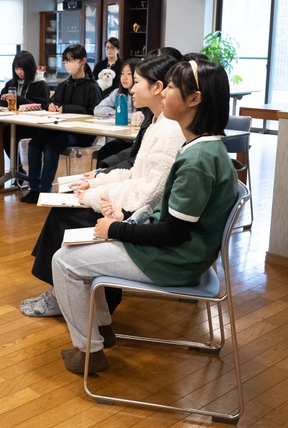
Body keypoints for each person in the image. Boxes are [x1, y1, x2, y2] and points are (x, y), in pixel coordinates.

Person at [51, 59, 239, 374]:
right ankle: (102, 331)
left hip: (173, 261)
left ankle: (89, 351)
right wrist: (128, 219)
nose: (164, 93)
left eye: (172, 88)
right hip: (181, 254)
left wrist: (117, 229)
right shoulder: (204, 148)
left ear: (194, 100)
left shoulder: (197, 160)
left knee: (63, 261)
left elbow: (172, 234)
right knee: (74, 251)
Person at [20, 54, 184, 318]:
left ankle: (66, 297)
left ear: (157, 87)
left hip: (139, 215)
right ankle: (62, 293)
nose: (129, 88)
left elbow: (148, 193)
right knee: (65, 207)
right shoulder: (155, 123)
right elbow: (134, 173)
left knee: (70, 215)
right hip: (130, 204)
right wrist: (96, 183)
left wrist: (95, 196)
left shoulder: (169, 129)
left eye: (137, 81)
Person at [21, 44, 101, 203]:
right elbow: (53, 101)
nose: (68, 64)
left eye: (72, 60)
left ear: (83, 61)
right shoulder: (65, 84)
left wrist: (67, 108)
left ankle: (45, 189)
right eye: (66, 61)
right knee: (35, 143)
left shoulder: (92, 87)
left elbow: (95, 113)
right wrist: (50, 105)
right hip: (61, 128)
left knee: (52, 146)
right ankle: (34, 188)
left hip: (81, 133)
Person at [0, 50, 49, 175]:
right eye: (16, 68)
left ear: (29, 68)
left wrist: (18, 100)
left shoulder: (40, 84)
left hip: (34, 125)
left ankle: (18, 170)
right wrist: (4, 99)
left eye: (22, 69)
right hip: (16, 122)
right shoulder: (12, 83)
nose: (19, 72)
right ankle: (17, 169)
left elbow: (41, 106)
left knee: (8, 133)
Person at [92, 58, 140, 164]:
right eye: (122, 74)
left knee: (116, 156)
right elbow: (98, 110)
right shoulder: (117, 93)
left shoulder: (142, 94)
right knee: (104, 152)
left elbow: (142, 116)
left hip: (137, 140)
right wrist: (116, 113)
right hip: (123, 138)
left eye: (129, 74)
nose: (124, 78)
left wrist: (123, 115)